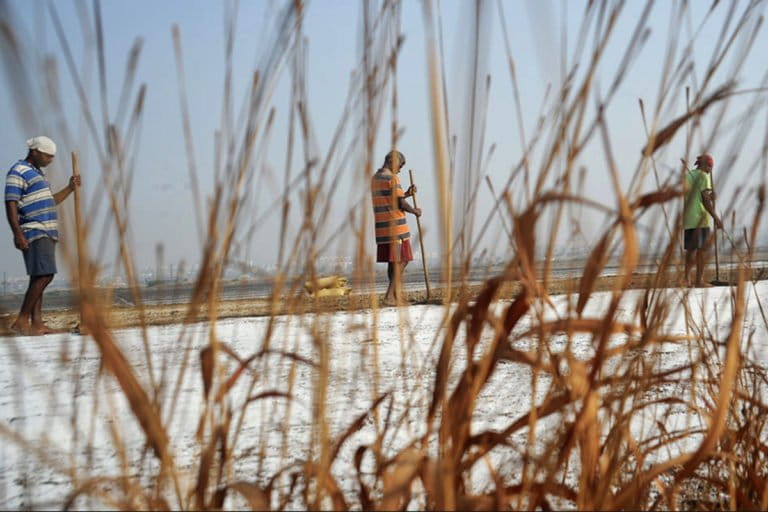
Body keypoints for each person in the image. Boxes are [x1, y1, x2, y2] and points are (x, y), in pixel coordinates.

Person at [4, 136, 81, 335]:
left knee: (38, 276)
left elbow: (51, 201)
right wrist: (17, 233)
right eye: (48, 156)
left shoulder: (38, 175)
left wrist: (70, 188)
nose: (50, 161)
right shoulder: (18, 171)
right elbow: (10, 203)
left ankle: (36, 323)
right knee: (46, 275)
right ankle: (21, 320)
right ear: (35, 152)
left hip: (47, 230)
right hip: (33, 230)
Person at [371, 150, 421, 305]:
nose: (400, 169)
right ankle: (389, 297)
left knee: (394, 262)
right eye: (400, 165)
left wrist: (405, 194)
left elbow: (391, 199)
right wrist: (414, 211)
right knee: (402, 260)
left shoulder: (375, 178)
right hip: (396, 228)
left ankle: (395, 296)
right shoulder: (392, 178)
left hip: (383, 228)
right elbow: (400, 204)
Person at [683, 153, 723, 287]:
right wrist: (716, 218)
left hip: (688, 218)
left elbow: (697, 196)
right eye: (710, 167)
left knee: (691, 250)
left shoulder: (688, 176)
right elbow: (705, 201)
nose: (710, 170)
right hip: (701, 217)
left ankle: (686, 280)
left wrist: (711, 196)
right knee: (702, 250)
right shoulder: (704, 176)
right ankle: (699, 281)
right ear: (704, 165)